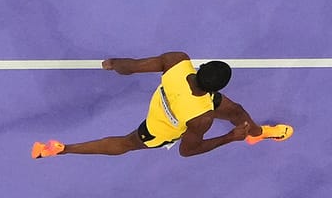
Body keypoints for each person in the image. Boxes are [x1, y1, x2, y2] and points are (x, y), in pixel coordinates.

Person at [31, 52, 291, 158]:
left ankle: (257, 134)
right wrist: (229, 137)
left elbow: (132, 67)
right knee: (126, 143)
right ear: (216, 90)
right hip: (161, 127)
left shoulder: (178, 62)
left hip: (173, 100)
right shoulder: (202, 118)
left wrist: (115, 63)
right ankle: (64, 149)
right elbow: (188, 151)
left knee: (236, 110)